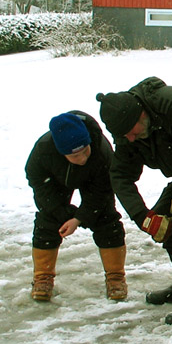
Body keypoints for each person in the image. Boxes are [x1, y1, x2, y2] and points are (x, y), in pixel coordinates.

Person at [95, 76, 172, 325]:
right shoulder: (127, 132)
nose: (129, 140)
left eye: (131, 133)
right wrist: (144, 217)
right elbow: (120, 175)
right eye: (123, 137)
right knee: (166, 221)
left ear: (141, 115)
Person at [25, 111, 127, 302]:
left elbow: (102, 193)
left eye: (85, 151)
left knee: (106, 219)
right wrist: (61, 213)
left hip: (94, 180)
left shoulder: (101, 151)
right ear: (61, 153)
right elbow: (41, 188)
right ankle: (42, 277)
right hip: (56, 179)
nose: (82, 159)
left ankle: (116, 277)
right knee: (48, 221)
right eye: (75, 156)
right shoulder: (43, 152)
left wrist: (80, 218)